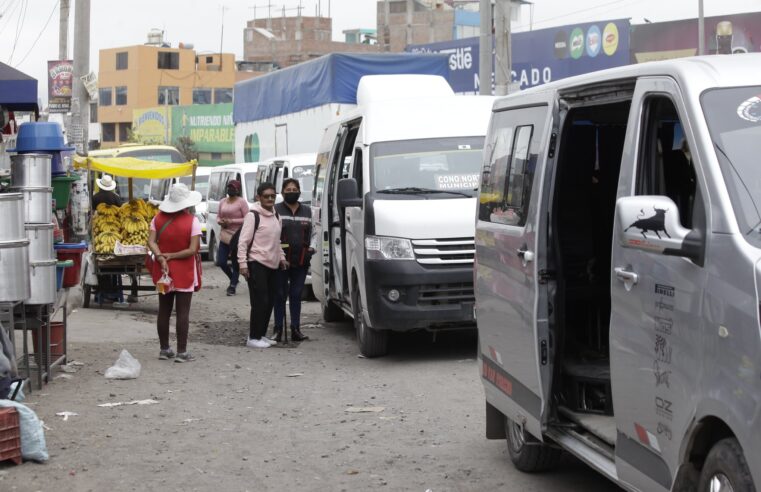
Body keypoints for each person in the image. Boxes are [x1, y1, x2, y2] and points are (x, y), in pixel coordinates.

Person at [147, 183, 203, 362]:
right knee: (183, 311)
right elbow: (193, 249)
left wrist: (162, 257)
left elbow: (151, 242)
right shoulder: (192, 221)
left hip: (163, 270)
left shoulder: (156, 219)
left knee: (164, 310)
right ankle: (182, 352)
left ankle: (164, 349)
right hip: (184, 270)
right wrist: (173, 255)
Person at [238, 182, 287, 349]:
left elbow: (277, 241)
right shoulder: (253, 216)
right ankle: (253, 337)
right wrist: (242, 264)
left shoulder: (276, 216)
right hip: (256, 263)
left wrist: (281, 257)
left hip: (272, 265)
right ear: (259, 197)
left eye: (273, 196)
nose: (270, 199)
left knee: (270, 300)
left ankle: (260, 334)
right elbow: (243, 242)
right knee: (260, 301)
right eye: (266, 196)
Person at [272, 178, 313, 342]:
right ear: (282, 193)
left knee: (296, 294)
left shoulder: (308, 211)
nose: (291, 192)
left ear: (299, 192)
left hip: (301, 260)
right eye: (287, 190)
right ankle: (278, 329)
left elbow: (314, 231)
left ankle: (295, 328)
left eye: (294, 189)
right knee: (279, 295)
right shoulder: (275, 210)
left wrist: (312, 248)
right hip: (280, 260)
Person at [216, 179, 248, 296]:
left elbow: (247, 218)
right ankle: (233, 279)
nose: (230, 190)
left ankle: (232, 286)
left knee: (235, 263)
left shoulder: (242, 202)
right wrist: (221, 221)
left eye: (233, 188)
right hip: (224, 235)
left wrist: (232, 221)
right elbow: (218, 216)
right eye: (229, 187)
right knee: (221, 262)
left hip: (237, 236)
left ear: (238, 190)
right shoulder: (222, 201)